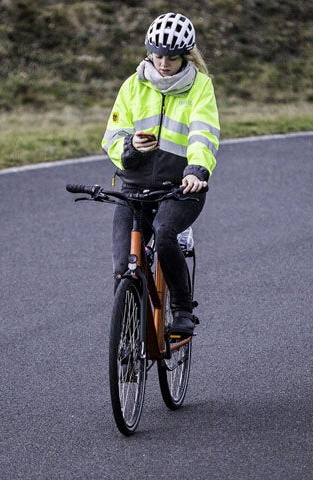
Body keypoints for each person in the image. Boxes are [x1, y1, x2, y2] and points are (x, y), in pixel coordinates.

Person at [101, 12, 220, 337]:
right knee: (123, 266)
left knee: (165, 233)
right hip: (134, 189)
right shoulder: (132, 86)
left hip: (180, 189)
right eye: (158, 55)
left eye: (172, 57)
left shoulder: (200, 87)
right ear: (149, 51)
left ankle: (181, 309)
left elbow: (203, 134)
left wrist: (196, 170)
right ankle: (128, 339)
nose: (164, 63)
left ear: (185, 56)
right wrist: (130, 147)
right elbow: (111, 136)